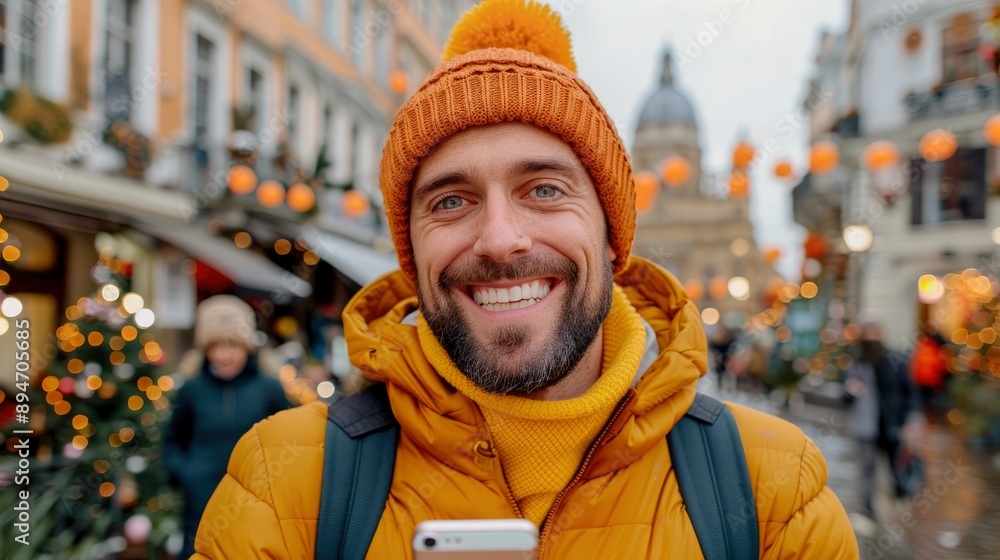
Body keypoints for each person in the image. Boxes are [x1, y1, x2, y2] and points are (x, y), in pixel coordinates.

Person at [192, 1, 857, 558]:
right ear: (410, 247)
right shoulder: (284, 486)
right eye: (450, 200)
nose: (501, 239)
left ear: (611, 231)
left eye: (544, 189)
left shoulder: (771, 492)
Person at [163, 295, 289, 560]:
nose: (224, 355)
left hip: (255, 503)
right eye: (215, 346)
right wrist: (185, 474)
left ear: (248, 347)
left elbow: (287, 440)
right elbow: (173, 438)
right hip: (200, 502)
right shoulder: (192, 388)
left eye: (233, 345)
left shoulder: (269, 389)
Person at [846, 322, 921, 522]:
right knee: (867, 469)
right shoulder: (858, 363)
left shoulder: (895, 361)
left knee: (895, 467)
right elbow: (846, 396)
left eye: (874, 334)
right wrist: (850, 390)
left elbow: (910, 392)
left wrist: (911, 420)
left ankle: (900, 501)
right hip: (866, 427)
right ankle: (867, 510)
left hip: (891, 425)